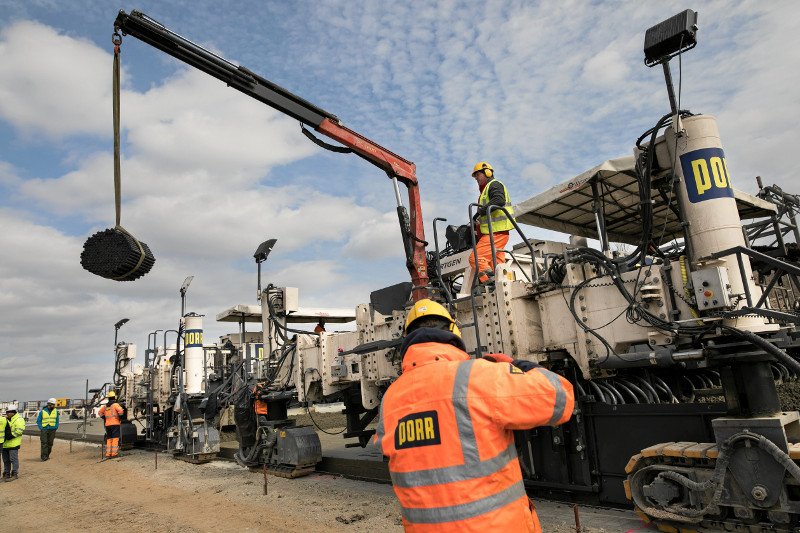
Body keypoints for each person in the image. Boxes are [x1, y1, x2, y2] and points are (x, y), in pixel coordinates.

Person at [374, 299, 574, 532]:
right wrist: (518, 365)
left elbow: (387, 447)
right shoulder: (479, 376)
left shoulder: (390, 399)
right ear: (453, 333)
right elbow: (560, 399)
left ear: (407, 342)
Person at [469, 161, 515, 284]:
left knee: (476, 258)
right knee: (497, 264)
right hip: (495, 233)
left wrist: (479, 212)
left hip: (496, 232)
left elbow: (499, 200)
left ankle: (492, 283)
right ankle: (504, 283)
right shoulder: (486, 190)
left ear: (487, 172)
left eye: (477, 175)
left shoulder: (494, 184)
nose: (476, 179)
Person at [2, 404, 26, 481]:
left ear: (13, 412)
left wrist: (11, 436)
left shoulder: (19, 419)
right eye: (6, 412)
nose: (7, 414)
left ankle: (14, 473)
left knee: (13, 459)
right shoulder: (5, 419)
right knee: (6, 460)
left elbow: (19, 430)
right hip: (5, 444)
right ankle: (6, 474)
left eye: (8, 412)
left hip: (13, 443)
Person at [97, 391, 124, 458]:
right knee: (115, 439)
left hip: (107, 425)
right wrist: (120, 417)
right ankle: (114, 454)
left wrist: (104, 418)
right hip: (115, 424)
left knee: (109, 439)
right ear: (114, 398)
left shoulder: (105, 406)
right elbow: (121, 411)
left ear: (108, 398)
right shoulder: (115, 405)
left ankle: (108, 454)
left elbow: (99, 413)